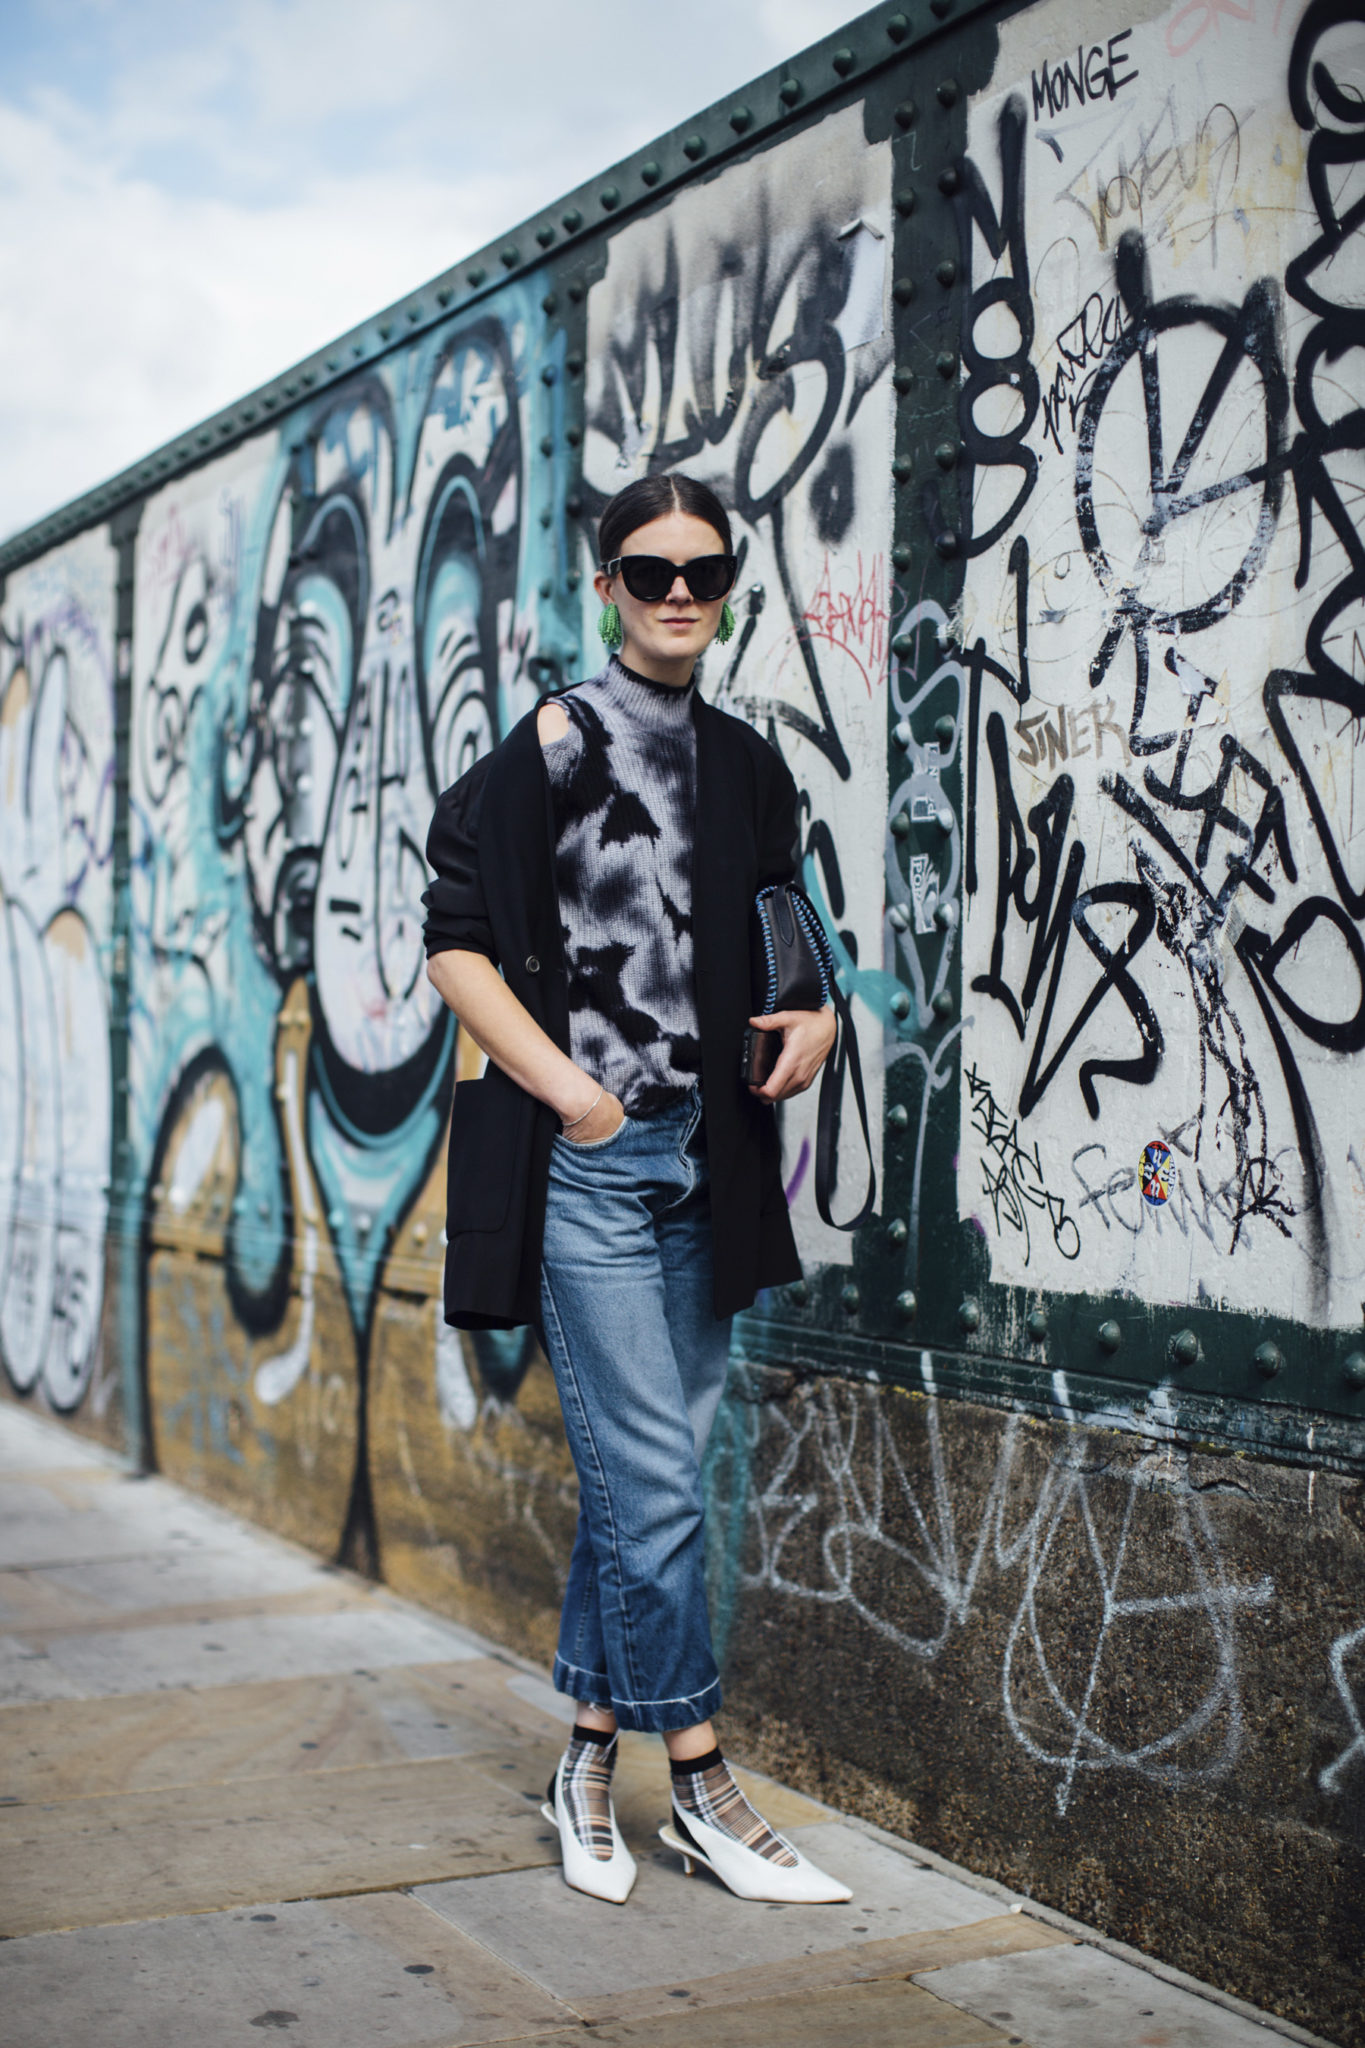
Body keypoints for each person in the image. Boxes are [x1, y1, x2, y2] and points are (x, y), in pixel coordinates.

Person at [422, 472, 848, 1906]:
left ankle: (588, 1758)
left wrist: (820, 1012)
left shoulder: (747, 762)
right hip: (591, 1167)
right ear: (605, 585)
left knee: (638, 1487)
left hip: (708, 1165)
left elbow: (785, 918)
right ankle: (706, 1787)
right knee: (659, 1483)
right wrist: (571, 1095)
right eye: (650, 571)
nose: (679, 594)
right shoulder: (550, 746)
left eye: (703, 572)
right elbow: (455, 945)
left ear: (727, 586)